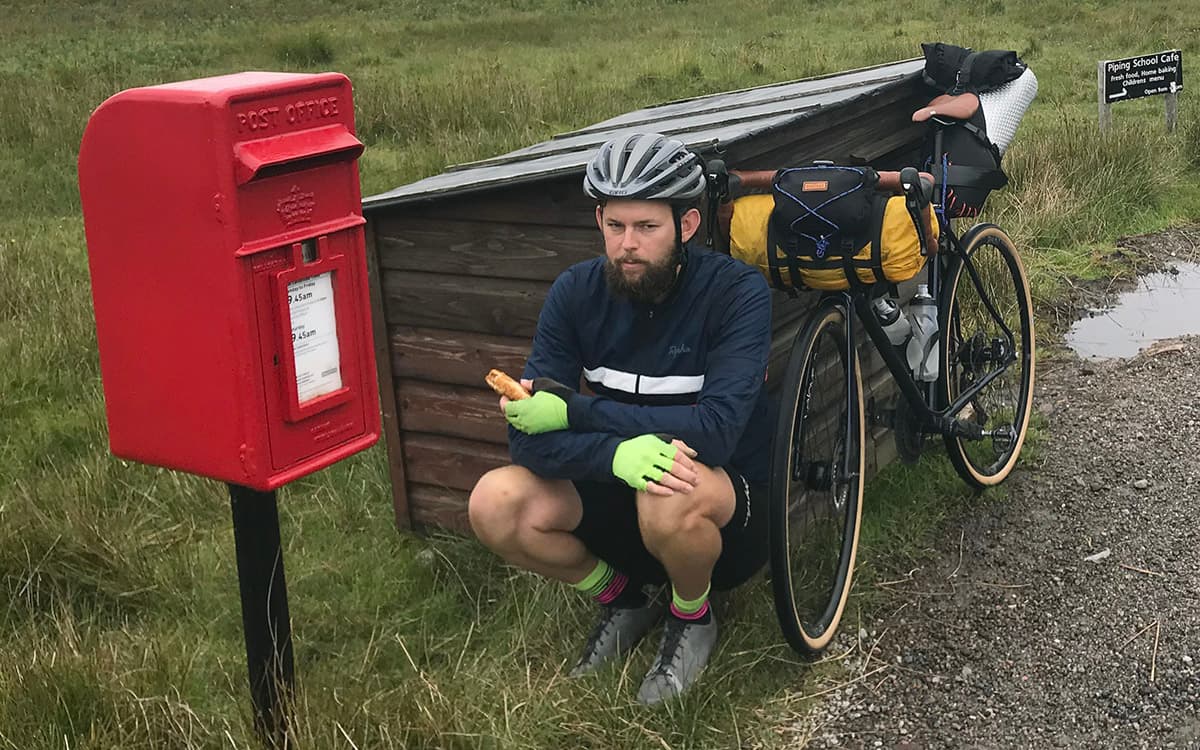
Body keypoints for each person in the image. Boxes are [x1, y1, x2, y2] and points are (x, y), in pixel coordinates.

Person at [468, 132, 773, 704]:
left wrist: (576, 410)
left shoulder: (737, 292)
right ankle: (625, 599)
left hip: (725, 504)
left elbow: (716, 433)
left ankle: (693, 613)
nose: (627, 245)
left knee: (666, 485)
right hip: (619, 482)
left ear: (685, 226)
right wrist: (611, 455)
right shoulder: (576, 291)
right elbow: (527, 440)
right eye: (615, 226)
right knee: (495, 502)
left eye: (646, 228)